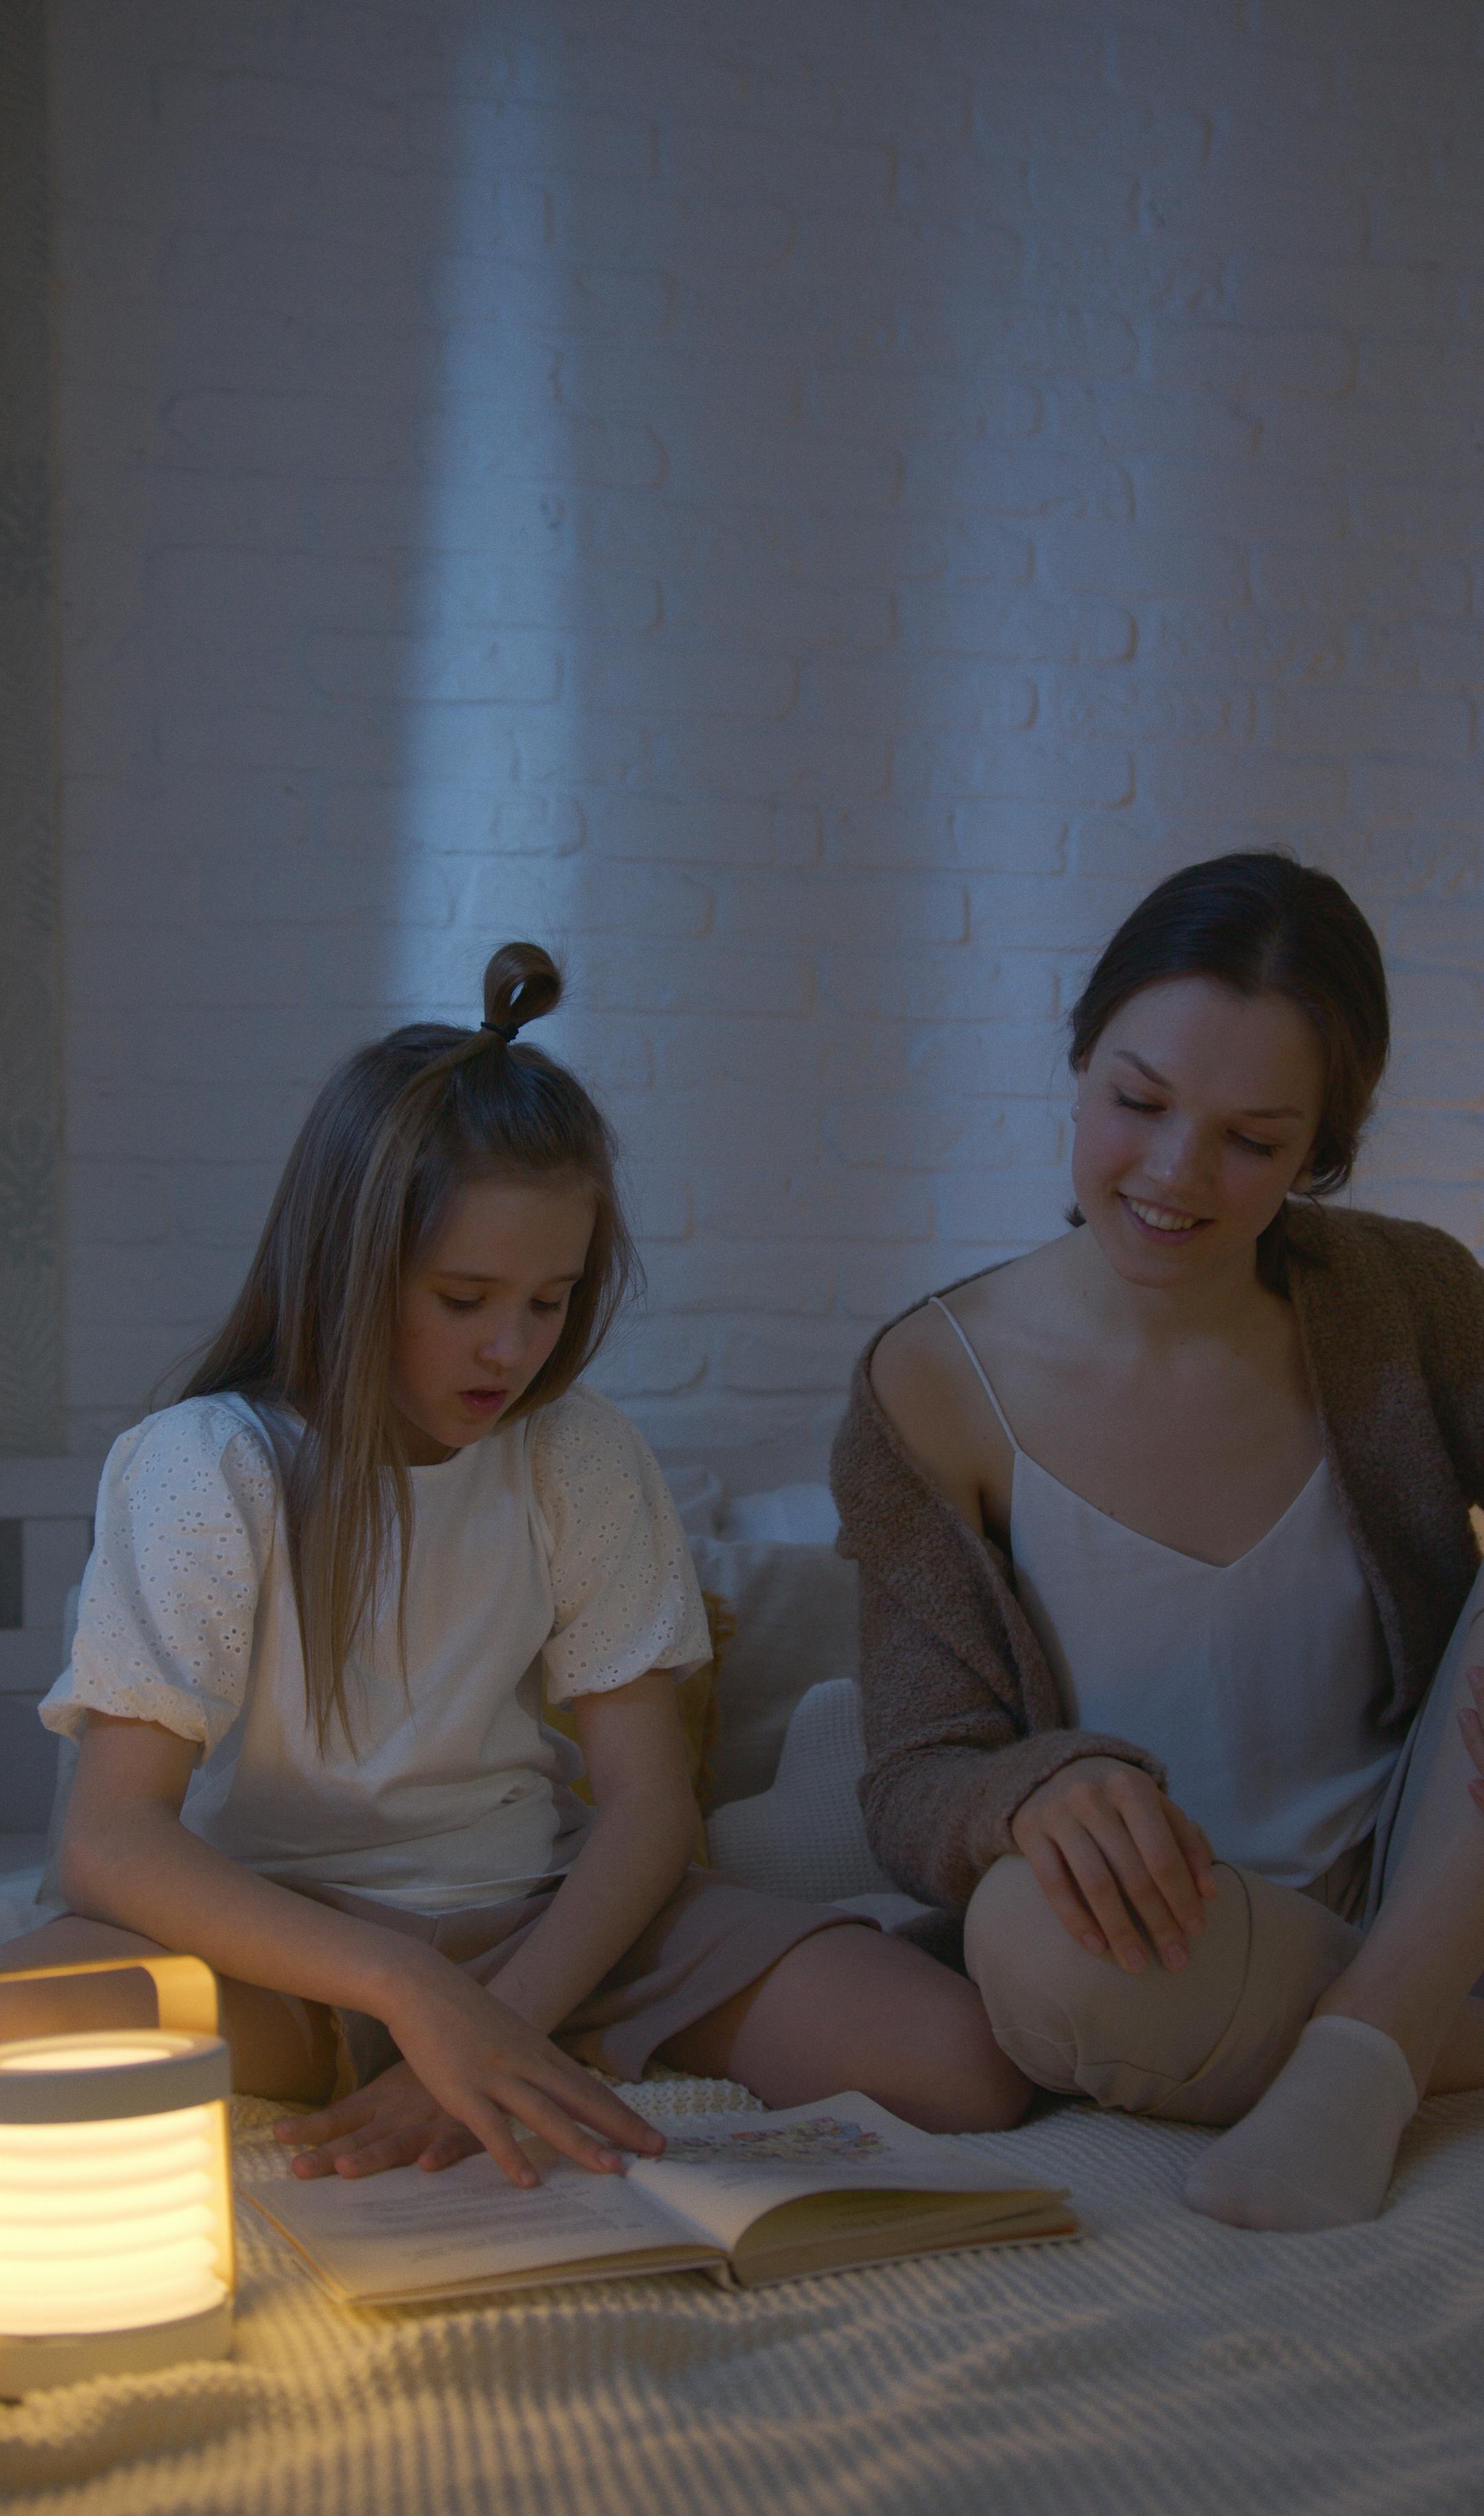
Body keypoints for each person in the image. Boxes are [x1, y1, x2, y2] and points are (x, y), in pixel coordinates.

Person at [1, 943, 1022, 2189]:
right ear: (349, 1267)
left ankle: (492, 2039)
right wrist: (411, 1991)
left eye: (550, 1301)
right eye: (465, 1298)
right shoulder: (206, 1464)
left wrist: (505, 2021)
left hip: (549, 1928)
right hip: (287, 1948)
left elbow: (648, 1807)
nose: (512, 1350)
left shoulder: (578, 1453)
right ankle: (389, 2040)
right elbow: (111, 1842)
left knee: (964, 2063)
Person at [835, 852, 1484, 2231]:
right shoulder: (931, 1385)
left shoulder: (1414, 1299)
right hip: (1186, 1939)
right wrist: (1034, 1791)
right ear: (1081, 1063)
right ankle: (1410, 2030)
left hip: (1441, 1877)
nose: (1176, 1173)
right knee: (1023, 1946)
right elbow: (911, 1778)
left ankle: (1369, 2049)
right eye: (1139, 1103)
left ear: (1319, 1152)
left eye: (1254, 1140)